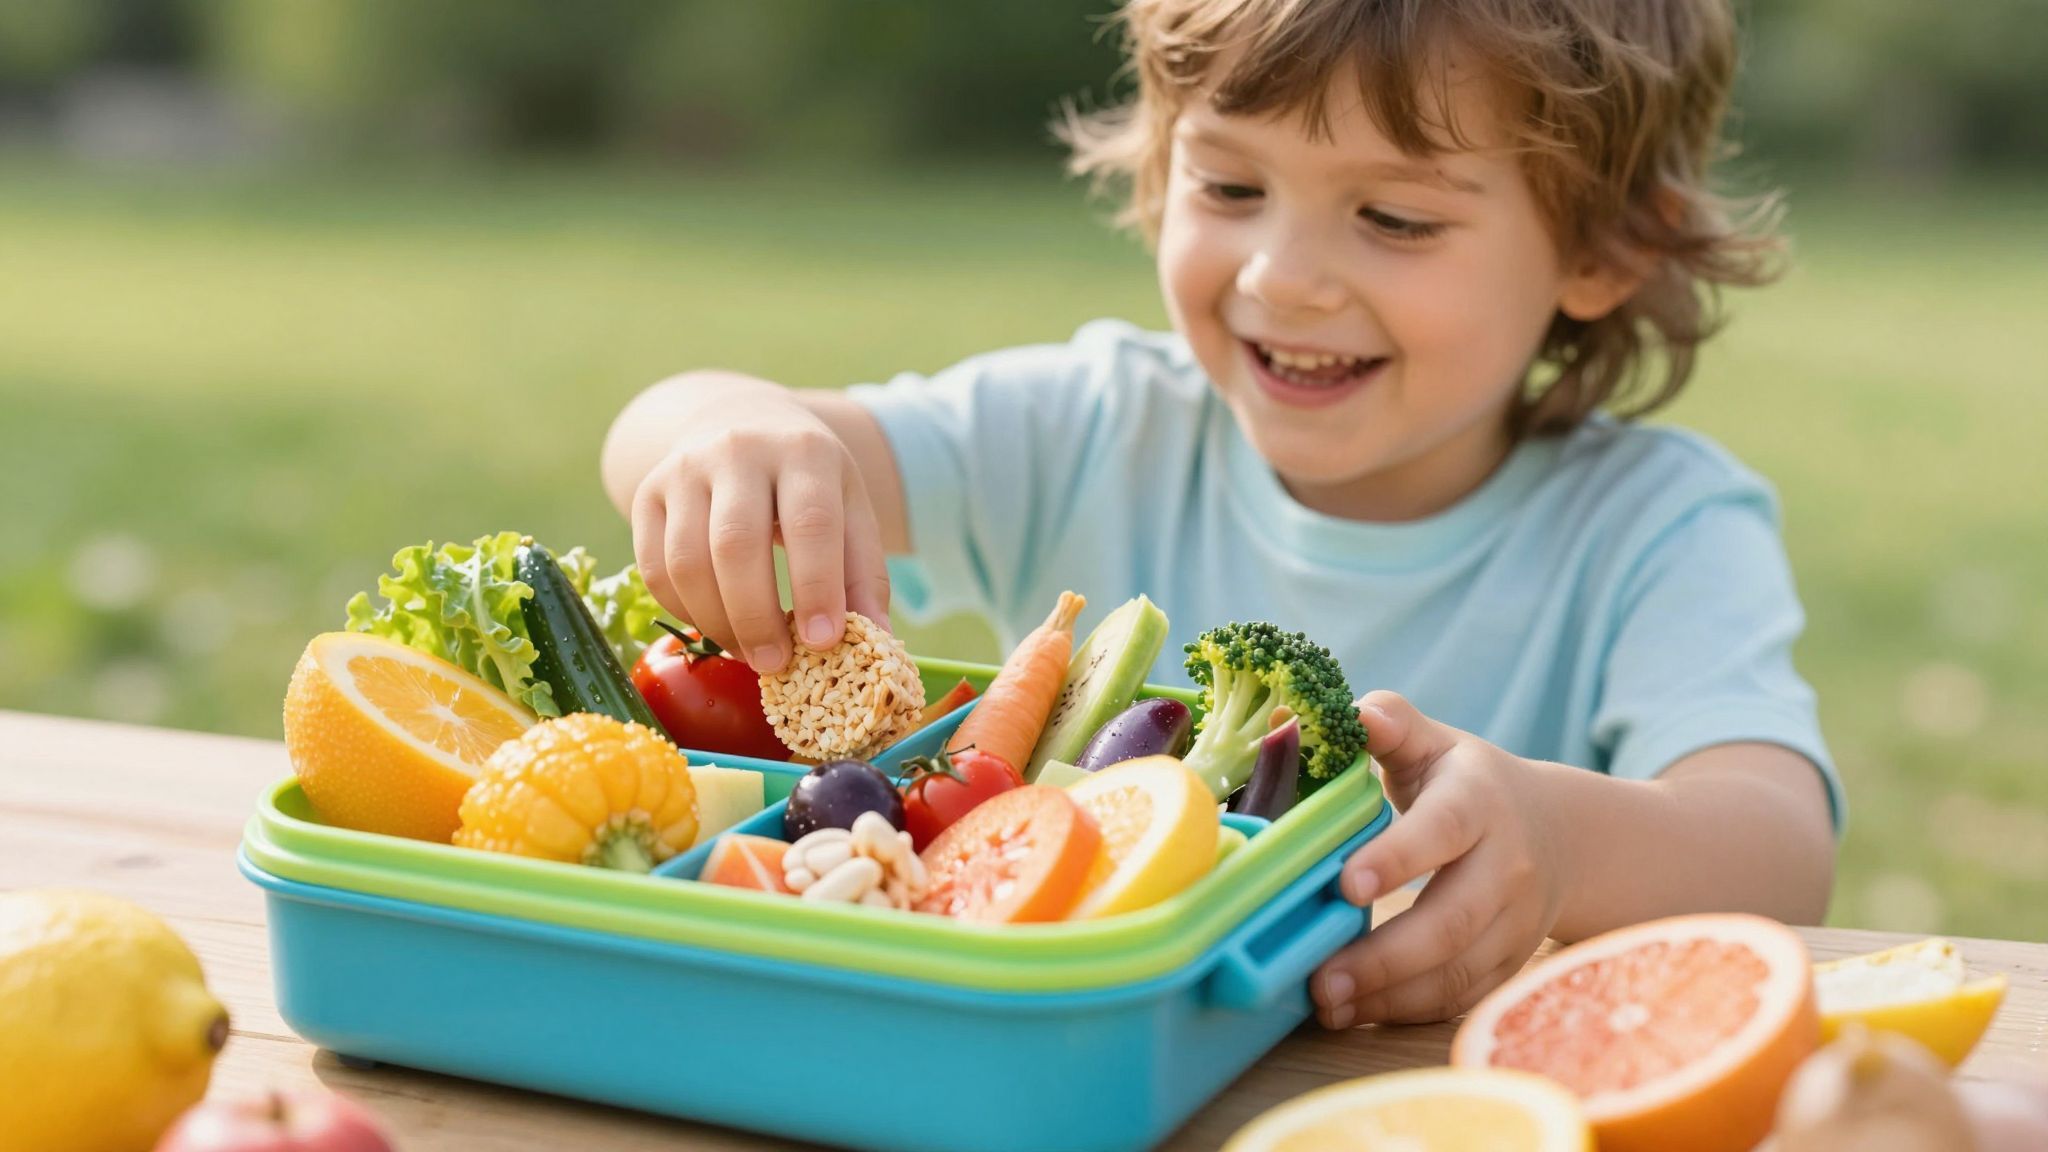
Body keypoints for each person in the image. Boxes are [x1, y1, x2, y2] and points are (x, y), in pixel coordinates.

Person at [600, 0, 1841, 1028]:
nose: (1277, 276)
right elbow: (667, 419)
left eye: (1395, 217)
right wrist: (725, 437)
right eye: (1229, 185)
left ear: (1603, 251)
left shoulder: (1658, 524)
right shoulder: (1094, 421)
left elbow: (1777, 846)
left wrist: (1560, 842)